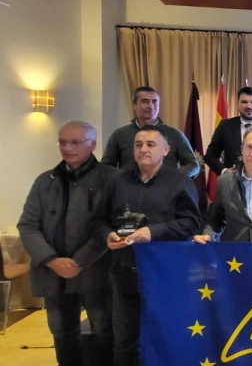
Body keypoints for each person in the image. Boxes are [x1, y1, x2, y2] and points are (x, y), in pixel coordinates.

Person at [90, 125, 202, 366]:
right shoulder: (117, 181)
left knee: (167, 337)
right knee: (125, 342)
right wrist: (107, 234)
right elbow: (98, 220)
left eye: (151, 144)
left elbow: (191, 223)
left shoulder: (180, 182)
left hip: (166, 276)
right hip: (125, 274)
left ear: (165, 150)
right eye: (138, 144)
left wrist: (153, 232)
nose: (143, 149)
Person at [17, 120, 116, 366]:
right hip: (53, 274)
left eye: (75, 142)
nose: (67, 148)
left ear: (92, 145)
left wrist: (80, 260)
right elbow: (27, 225)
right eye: (62, 142)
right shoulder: (45, 181)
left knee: (104, 332)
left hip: (97, 271)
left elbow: (114, 226)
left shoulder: (112, 178)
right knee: (62, 334)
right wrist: (51, 260)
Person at [102, 86, 199, 177]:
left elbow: (193, 165)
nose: (151, 106)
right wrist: (123, 178)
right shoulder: (120, 135)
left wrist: (173, 177)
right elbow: (105, 167)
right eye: (145, 101)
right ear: (134, 105)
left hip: (166, 188)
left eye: (155, 102)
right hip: (127, 187)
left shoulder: (175, 135)